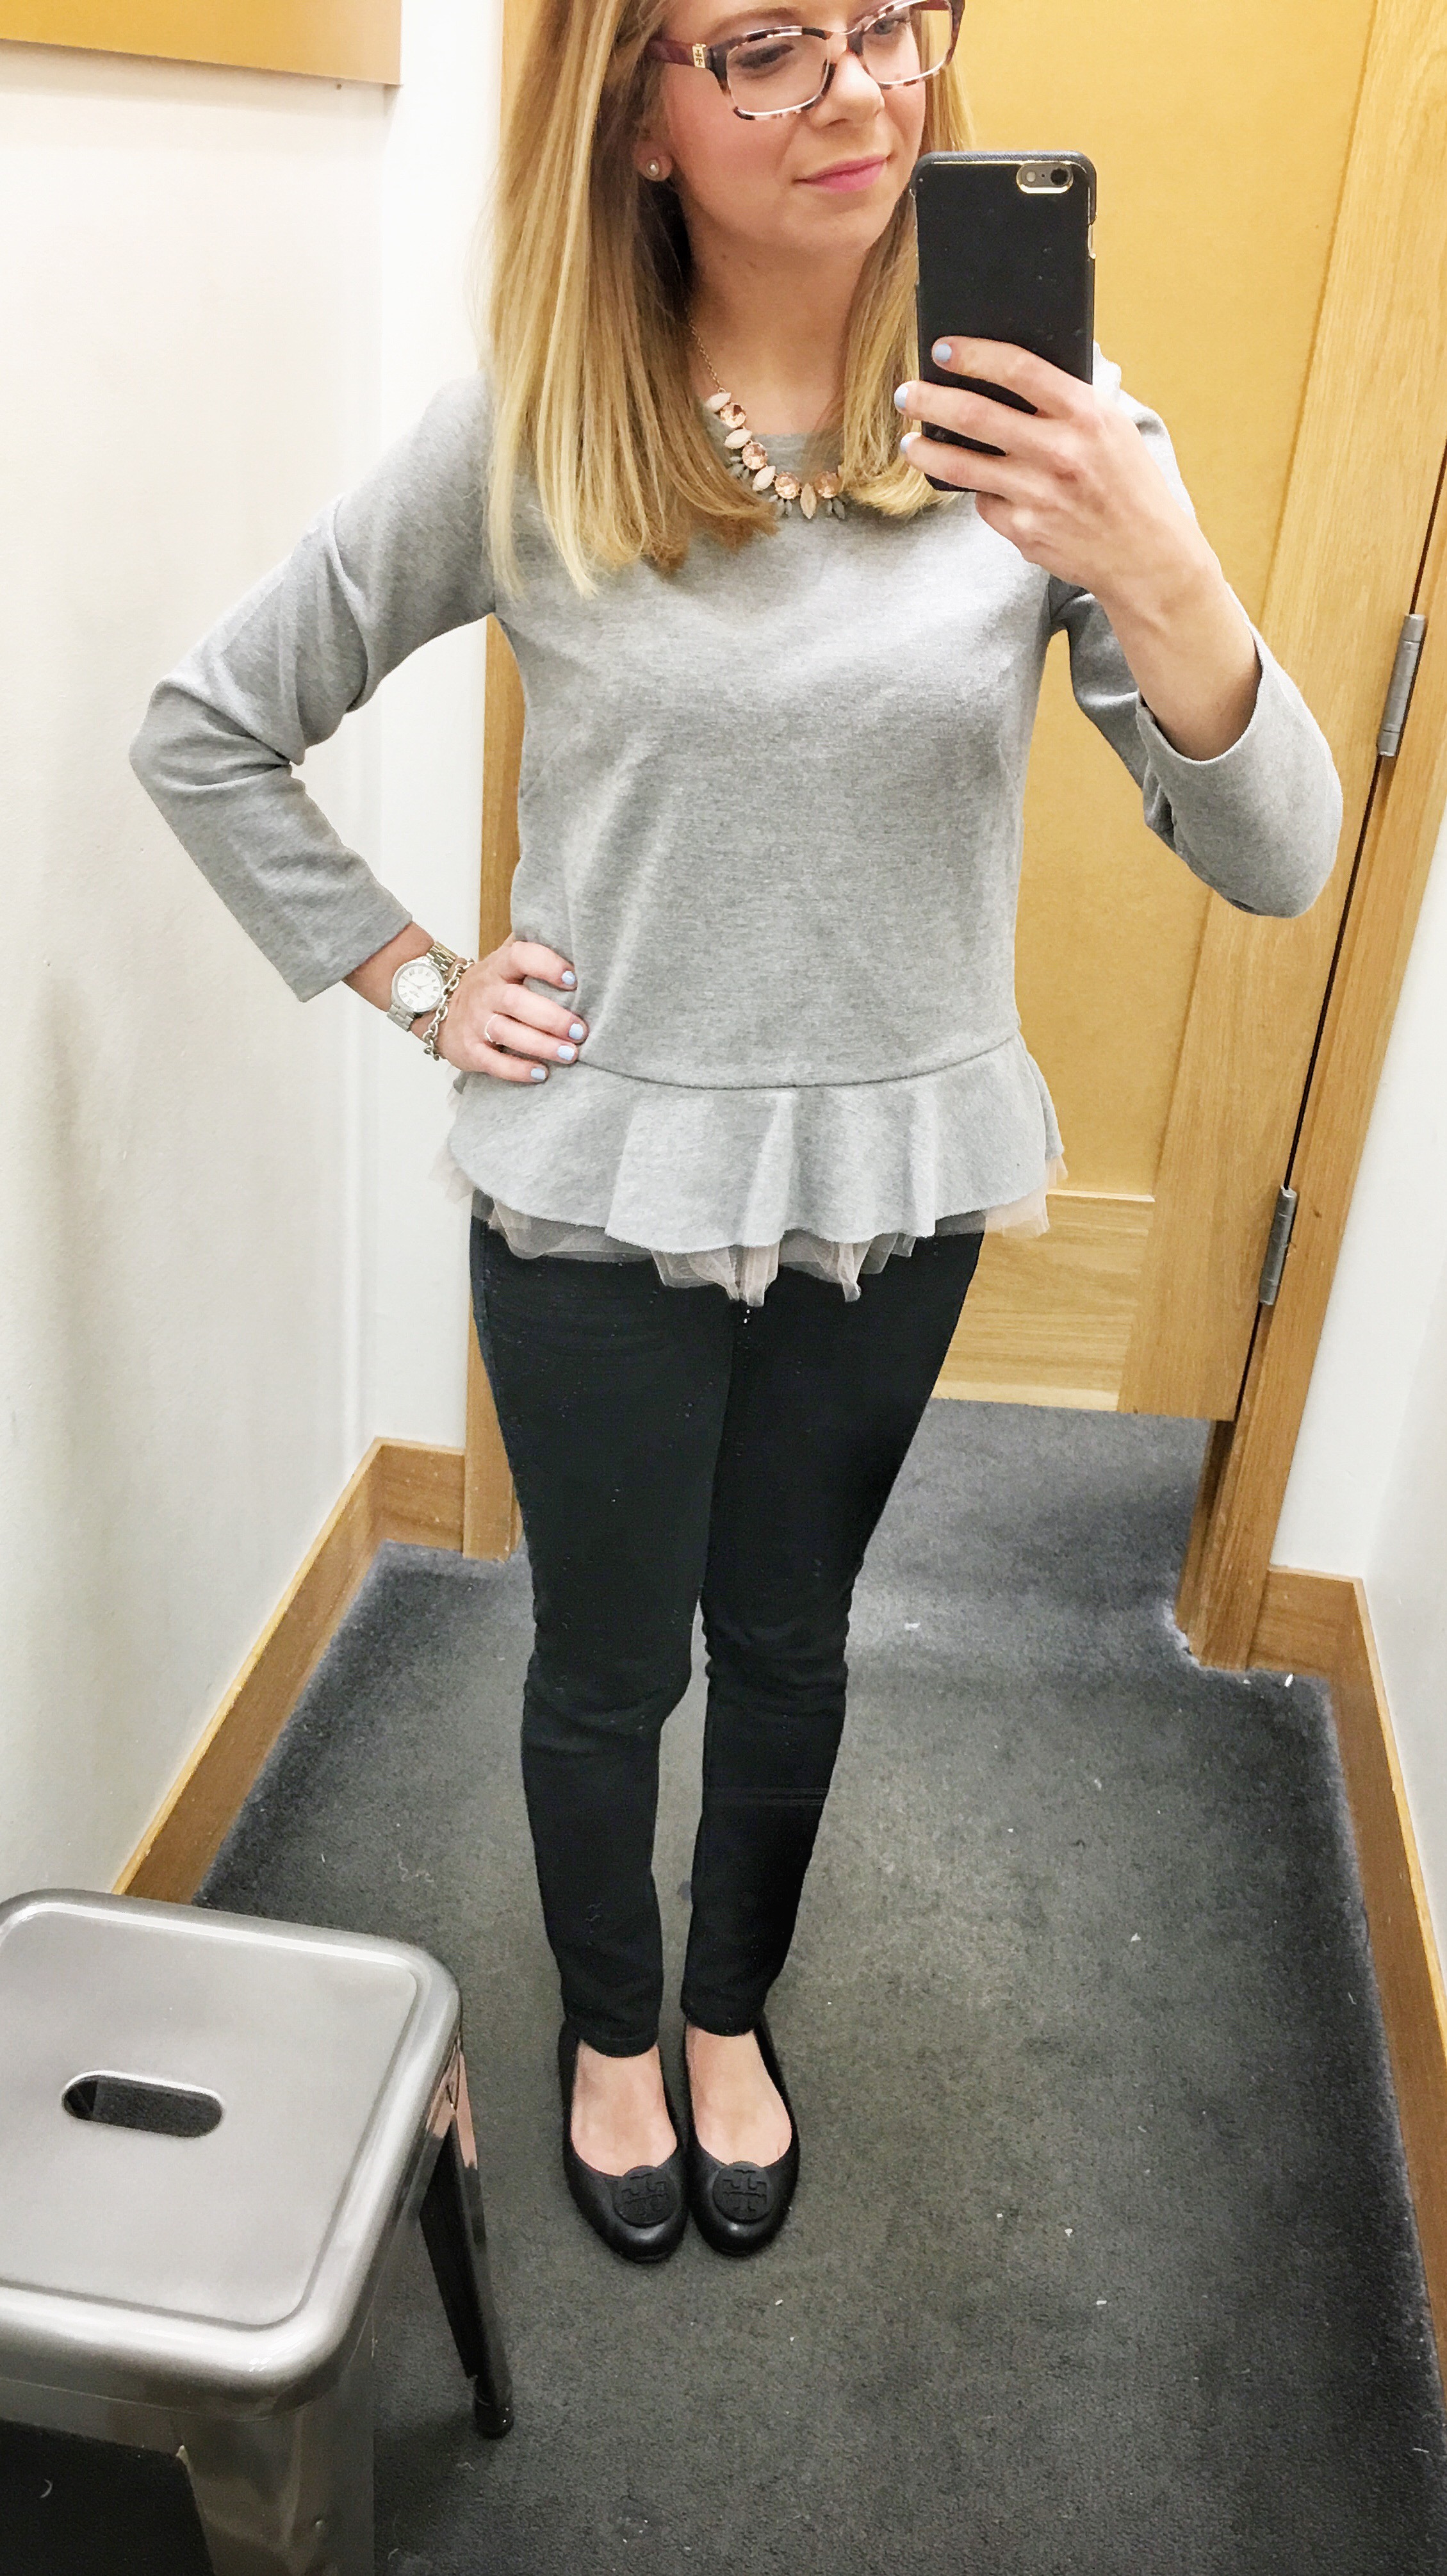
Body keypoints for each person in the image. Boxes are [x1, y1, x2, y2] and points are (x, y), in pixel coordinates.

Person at [130, 0, 1341, 2266]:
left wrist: (1155, 558)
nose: (860, 89)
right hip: (598, 1184)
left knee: (789, 1636)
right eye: (768, 45)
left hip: (894, 1189)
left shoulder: (1044, 428)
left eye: (888, 21)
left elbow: (1273, 859)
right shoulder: (532, 429)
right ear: (639, 120)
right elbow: (209, 726)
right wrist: (416, 976)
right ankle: (611, 2030)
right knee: (609, 1662)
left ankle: (723, 2014)